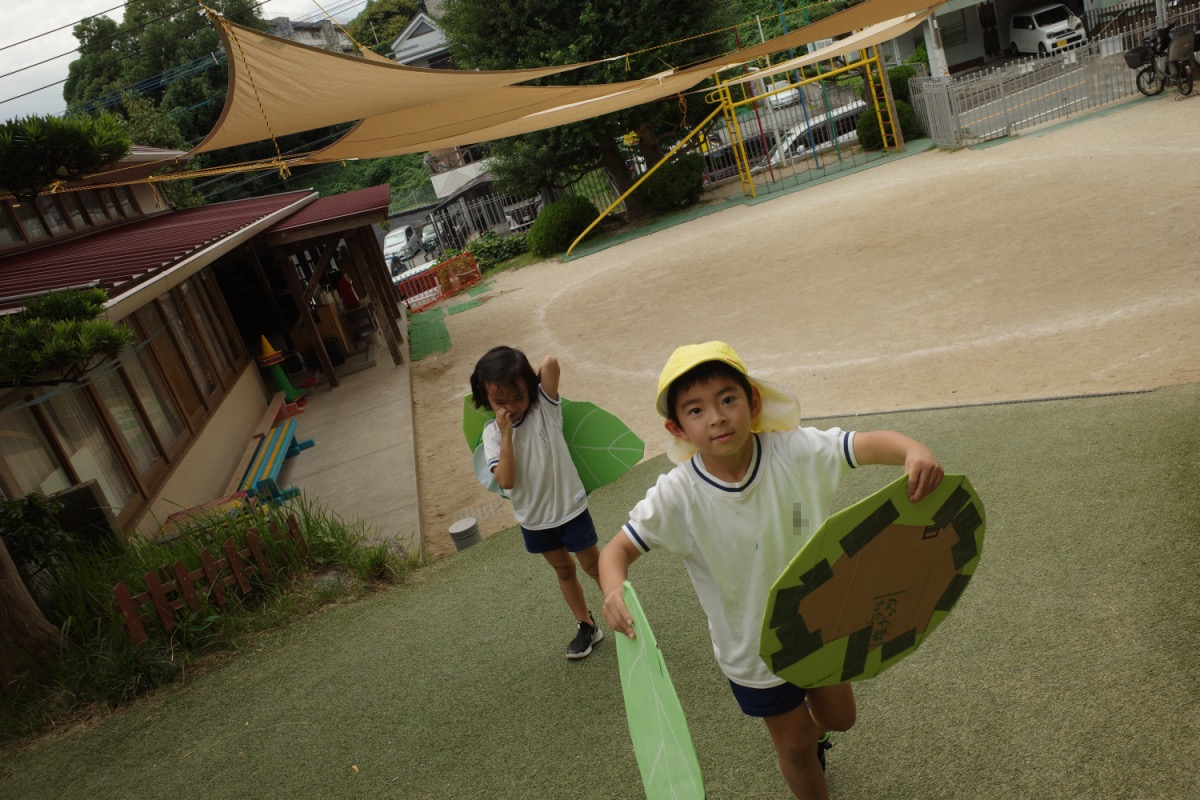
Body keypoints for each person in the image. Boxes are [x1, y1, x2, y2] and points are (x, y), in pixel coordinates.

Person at [599, 341, 944, 799]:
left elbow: (864, 444)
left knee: (841, 719)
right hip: (750, 648)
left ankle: (813, 735)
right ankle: (805, 753)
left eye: (728, 399)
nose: (717, 417)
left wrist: (912, 450)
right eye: (696, 410)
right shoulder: (677, 495)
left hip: (823, 623)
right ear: (676, 427)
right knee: (795, 746)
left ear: (753, 402)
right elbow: (616, 550)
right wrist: (614, 590)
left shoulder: (794, 450)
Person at [471, 345, 605, 659]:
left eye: (518, 397)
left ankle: (626, 614)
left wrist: (529, 384)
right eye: (499, 401)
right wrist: (506, 435)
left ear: (530, 389)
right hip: (534, 519)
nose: (511, 407)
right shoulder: (492, 435)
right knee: (564, 570)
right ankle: (586, 625)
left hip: (569, 508)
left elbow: (551, 363)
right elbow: (506, 480)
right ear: (486, 400)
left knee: (594, 565)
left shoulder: (544, 407)